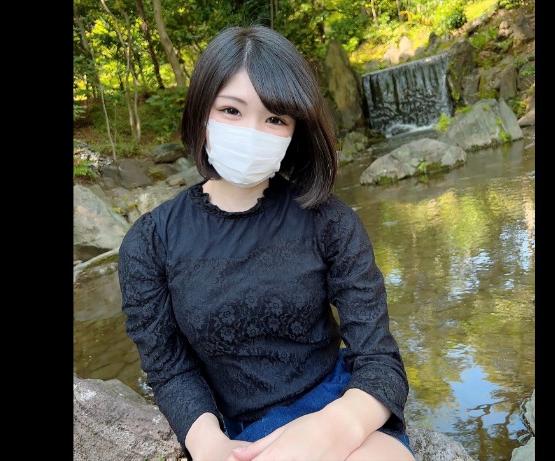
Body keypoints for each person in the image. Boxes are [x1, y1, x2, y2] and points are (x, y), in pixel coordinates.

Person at [118, 24, 414, 461]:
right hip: (235, 431)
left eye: (275, 118)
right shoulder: (149, 243)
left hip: (340, 406)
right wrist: (210, 445)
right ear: (200, 112)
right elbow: (169, 368)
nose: (252, 131)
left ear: (295, 129)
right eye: (231, 110)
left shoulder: (330, 222)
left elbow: (380, 359)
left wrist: (334, 427)